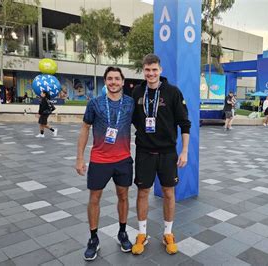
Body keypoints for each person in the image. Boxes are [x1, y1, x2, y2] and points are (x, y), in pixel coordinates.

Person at [131, 54, 191, 256]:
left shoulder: (173, 92)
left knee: (168, 193)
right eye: (147, 70)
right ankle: (142, 234)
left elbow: (185, 124)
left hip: (167, 153)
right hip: (144, 152)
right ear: (143, 70)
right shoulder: (137, 92)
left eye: (154, 69)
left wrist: (184, 151)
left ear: (160, 70)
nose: (151, 73)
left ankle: (168, 233)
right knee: (143, 193)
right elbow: (129, 119)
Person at [75, 67, 134, 261]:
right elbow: (84, 129)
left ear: (123, 82)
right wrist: (80, 158)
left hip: (123, 159)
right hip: (100, 159)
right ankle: (93, 239)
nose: (114, 82)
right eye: (110, 79)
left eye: (117, 79)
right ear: (105, 82)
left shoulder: (130, 103)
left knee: (123, 196)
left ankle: (122, 232)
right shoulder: (95, 104)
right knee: (94, 199)